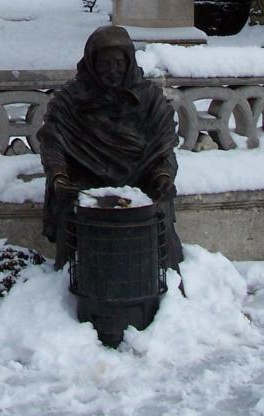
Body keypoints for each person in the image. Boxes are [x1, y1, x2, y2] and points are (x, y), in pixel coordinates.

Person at [38, 25, 182, 271]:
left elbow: (163, 146)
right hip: (87, 179)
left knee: (157, 209)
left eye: (118, 63)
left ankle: (159, 272)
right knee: (74, 209)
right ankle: (77, 273)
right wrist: (59, 178)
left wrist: (163, 176)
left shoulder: (149, 98)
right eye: (104, 64)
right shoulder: (71, 99)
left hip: (140, 179)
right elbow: (53, 141)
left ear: (128, 62)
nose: (112, 71)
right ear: (92, 63)